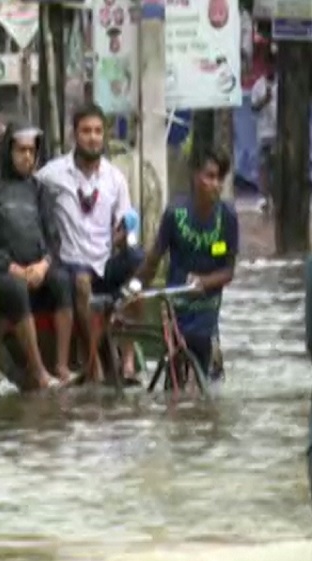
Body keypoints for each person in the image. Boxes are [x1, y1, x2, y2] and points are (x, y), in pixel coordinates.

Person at [37, 103, 142, 383]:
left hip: (104, 263)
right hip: (70, 266)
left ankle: (128, 358)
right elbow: (32, 202)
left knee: (138, 263)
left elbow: (125, 222)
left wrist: (123, 234)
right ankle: (92, 363)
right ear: (75, 135)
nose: (93, 137)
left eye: (98, 131)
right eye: (86, 131)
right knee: (82, 281)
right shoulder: (52, 174)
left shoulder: (115, 178)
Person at [0, 122, 75, 389]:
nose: (27, 156)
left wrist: (43, 265)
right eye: (21, 150)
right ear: (9, 151)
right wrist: (11, 267)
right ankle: (39, 372)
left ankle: (61, 366)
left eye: (32, 151)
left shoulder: (39, 190)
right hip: (2, 278)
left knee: (63, 280)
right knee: (15, 287)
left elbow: (54, 239)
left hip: (38, 272)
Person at [132, 146, 238, 380]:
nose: (216, 184)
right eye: (210, 176)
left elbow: (229, 271)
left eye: (220, 178)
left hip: (207, 310)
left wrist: (205, 281)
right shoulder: (175, 213)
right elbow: (153, 259)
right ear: (195, 176)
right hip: (177, 307)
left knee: (209, 375)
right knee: (174, 373)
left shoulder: (228, 217)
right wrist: (133, 289)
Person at [250, 46, 277, 212]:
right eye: (269, 64)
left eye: (273, 64)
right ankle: (264, 198)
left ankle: (278, 198)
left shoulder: (283, 82)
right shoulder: (259, 85)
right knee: (264, 167)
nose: (271, 68)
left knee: (278, 168)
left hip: (279, 132)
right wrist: (264, 100)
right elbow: (254, 108)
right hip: (264, 133)